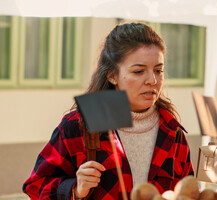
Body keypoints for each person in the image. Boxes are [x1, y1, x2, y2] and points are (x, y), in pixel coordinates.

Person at [23, 22, 194, 199]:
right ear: (112, 75)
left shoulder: (173, 132)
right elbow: (35, 185)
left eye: (158, 70)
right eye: (138, 71)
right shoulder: (79, 125)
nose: (152, 80)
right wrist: (75, 189)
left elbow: (187, 192)